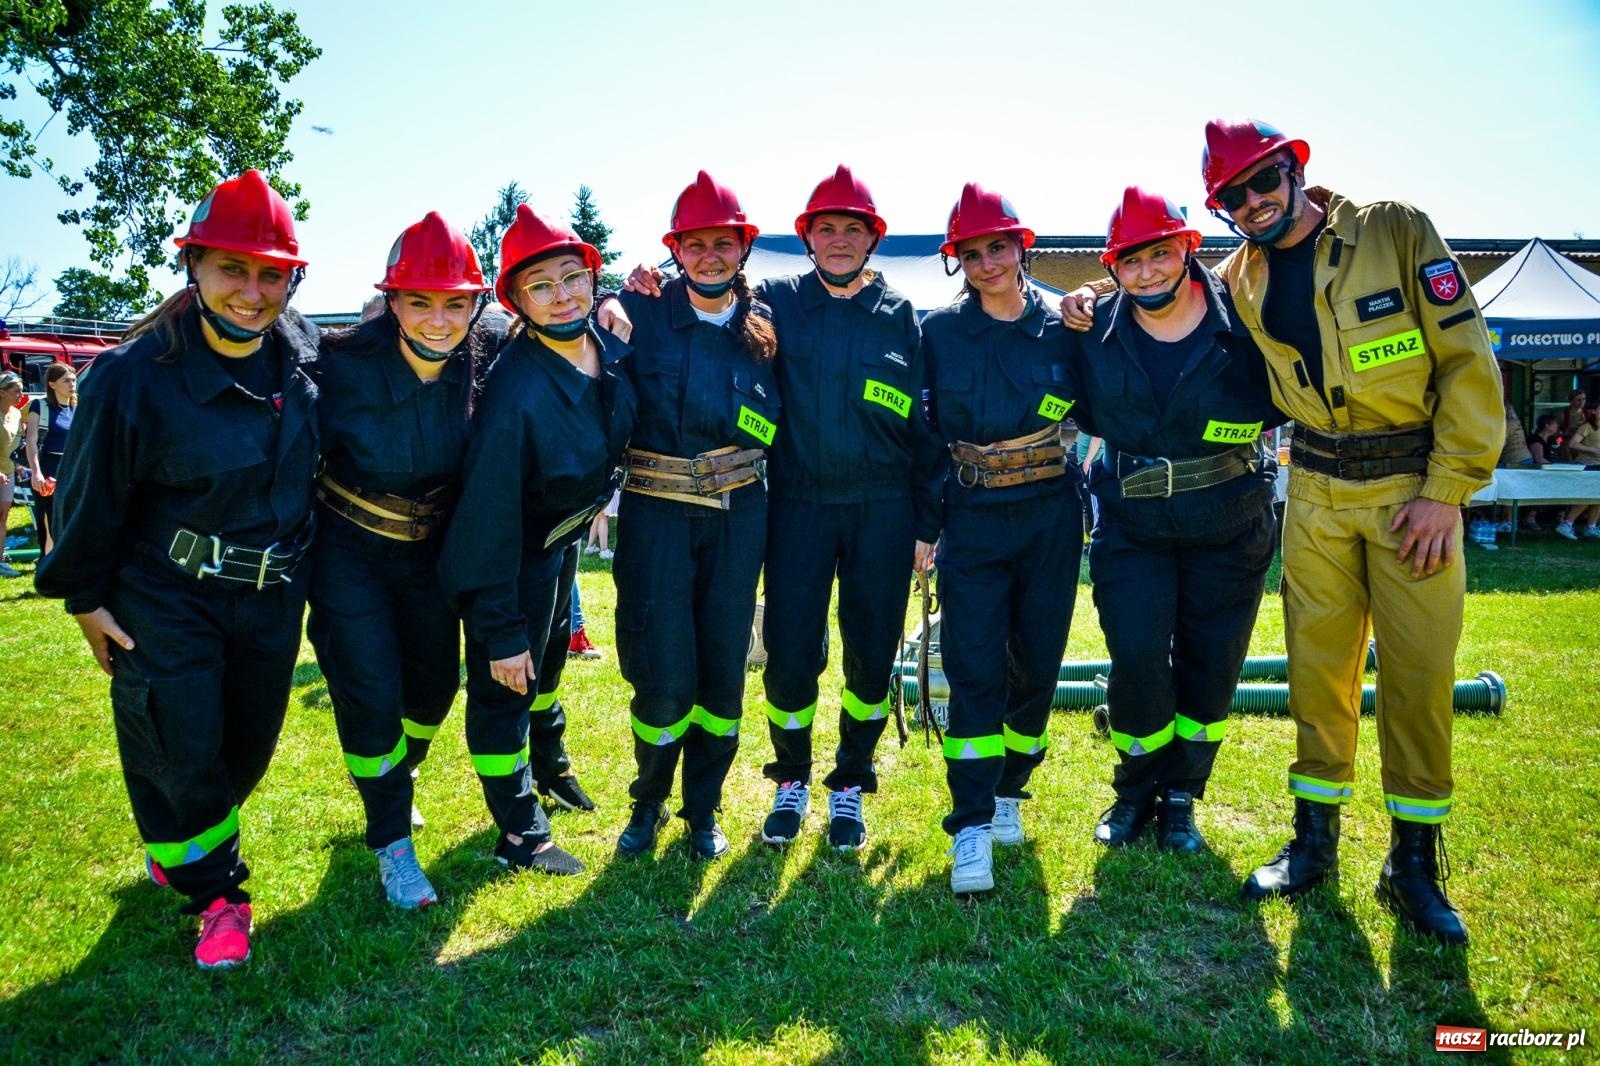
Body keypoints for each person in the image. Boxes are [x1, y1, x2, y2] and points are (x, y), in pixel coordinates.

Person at [1199, 119, 1503, 944]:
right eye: (1234, 195)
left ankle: (1412, 865)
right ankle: (1313, 845)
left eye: (1264, 180)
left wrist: (1449, 490)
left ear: (1295, 169)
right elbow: (1169, 312)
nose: (1254, 202)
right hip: (1318, 492)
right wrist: (1085, 305)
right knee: (1318, 675)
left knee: (1418, 675)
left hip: (1413, 492)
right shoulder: (1240, 274)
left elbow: (1467, 360)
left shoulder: (1393, 230)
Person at [34, 169, 319, 968]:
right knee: (183, 743)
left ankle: (179, 842)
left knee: (244, 752)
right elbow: (88, 497)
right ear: (192, 265)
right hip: (167, 595)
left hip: (270, 595)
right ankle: (220, 895)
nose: (253, 292)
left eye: (271, 273)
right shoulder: (131, 375)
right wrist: (83, 599)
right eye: (233, 268)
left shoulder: (304, 356)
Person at [622, 165, 942, 850]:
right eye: (825, 228)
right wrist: (635, 284)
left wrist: (926, 524)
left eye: (853, 229)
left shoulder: (903, 317)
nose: (838, 240)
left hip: (883, 510)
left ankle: (851, 781)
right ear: (805, 238)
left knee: (870, 656)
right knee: (793, 654)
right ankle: (792, 778)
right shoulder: (774, 304)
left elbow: (926, 429)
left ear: (873, 238)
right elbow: (704, 301)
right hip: (796, 506)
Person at [1065, 187, 1282, 852]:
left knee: (1211, 665)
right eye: (1130, 261)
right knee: (1136, 659)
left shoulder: (1248, 321)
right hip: (1133, 527)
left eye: (1160, 254)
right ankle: (1134, 792)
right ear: (1111, 269)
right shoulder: (1091, 331)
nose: (1148, 271)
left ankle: (1183, 796)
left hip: (1230, 521)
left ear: (1188, 249)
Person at [438, 205, 634, 876]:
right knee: (508, 684)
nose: (563, 296)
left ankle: (551, 768)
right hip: (511, 557)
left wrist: (632, 302)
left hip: (561, 544)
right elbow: (486, 518)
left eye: (572, 278)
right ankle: (518, 831)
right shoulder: (515, 391)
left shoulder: (605, 349)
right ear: (516, 300)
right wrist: (499, 627)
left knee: (547, 673)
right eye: (541, 286)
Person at [305, 212, 492, 909]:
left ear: (476, 303)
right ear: (391, 300)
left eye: (455, 302)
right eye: (420, 300)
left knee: (436, 689)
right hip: (348, 553)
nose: (439, 320)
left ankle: (395, 779)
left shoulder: (484, 356)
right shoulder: (337, 362)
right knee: (371, 695)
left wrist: (627, 306)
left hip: (428, 557)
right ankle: (391, 843)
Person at [609, 171, 779, 861]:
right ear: (674, 249)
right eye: (695, 243)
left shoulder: (770, 324)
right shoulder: (639, 311)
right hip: (657, 518)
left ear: (742, 247)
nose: (710, 255)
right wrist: (614, 295)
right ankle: (647, 801)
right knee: (663, 670)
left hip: (739, 520)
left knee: (720, 673)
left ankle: (702, 809)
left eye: (723, 242)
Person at [922, 183, 1083, 894]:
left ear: (1023, 247)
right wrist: (925, 528)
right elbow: (923, 438)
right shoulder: (938, 334)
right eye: (972, 251)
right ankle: (972, 822)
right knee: (975, 666)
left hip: (1051, 514)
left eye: (998, 247)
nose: (987, 262)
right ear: (957, 260)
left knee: (1037, 665)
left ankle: (1014, 788)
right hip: (975, 516)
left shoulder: (1066, 330)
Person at [22, 362, 78, 554]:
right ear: (52, 384)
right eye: (66, 381)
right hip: (48, 469)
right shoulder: (40, 406)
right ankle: (47, 566)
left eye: (74, 380)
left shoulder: (78, 407)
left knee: (72, 520)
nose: (72, 384)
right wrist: (36, 472)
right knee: (49, 520)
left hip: (73, 469)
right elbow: (31, 441)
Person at [0, 371, 23, 577]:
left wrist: (17, 465)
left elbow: (13, 445)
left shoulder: (16, 414)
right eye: (16, 391)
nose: (21, 395)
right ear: (2, 392)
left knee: (2, 516)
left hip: (7, 471)